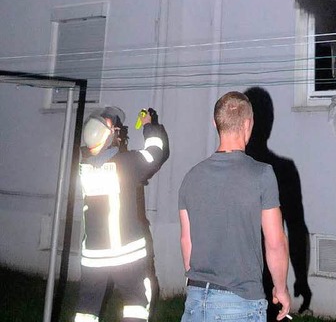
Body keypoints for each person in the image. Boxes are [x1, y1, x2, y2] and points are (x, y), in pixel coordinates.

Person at [178, 91, 291, 322]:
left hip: (195, 301)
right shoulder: (262, 175)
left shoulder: (191, 176)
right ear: (248, 123)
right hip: (239, 303)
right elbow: (275, 242)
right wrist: (280, 288)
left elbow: (187, 241)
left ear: (215, 123)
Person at [74, 106, 170, 322]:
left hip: (93, 257)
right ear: (112, 136)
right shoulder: (126, 164)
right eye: (117, 130)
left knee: (86, 310)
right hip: (126, 254)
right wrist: (149, 125)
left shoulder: (83, 167)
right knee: (136, 304)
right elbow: (156, 153)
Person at [244, 87, 313, 319]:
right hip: (264, 278)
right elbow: (296, 228)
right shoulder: (282, 170)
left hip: (230, 280)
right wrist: (300, 278)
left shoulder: (214, 171)